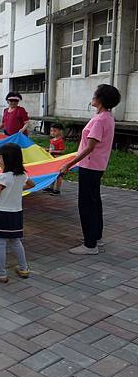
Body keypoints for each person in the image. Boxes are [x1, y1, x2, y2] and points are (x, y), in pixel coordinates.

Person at [60, 84, 121, 255]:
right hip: (98, 165)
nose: (92, 97)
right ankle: (96, 237)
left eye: (95, 95)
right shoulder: (107, 117)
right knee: (95, 202)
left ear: (100, 99)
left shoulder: (99, 120)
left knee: (86, 204)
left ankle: (89, 244)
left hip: (89, 166)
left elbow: (90, 148)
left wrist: (68, 164)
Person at [0, 143, 35, 283]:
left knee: (0, 244)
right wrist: (17, 189)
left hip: (1, 214)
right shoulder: (22, 175)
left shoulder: (2, 177)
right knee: (15, 241)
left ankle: (0, 273)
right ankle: (24, 268)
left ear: (8, 159)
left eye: (0, 158)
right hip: (16, 214)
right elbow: (32, 185)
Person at [43, 123, 65, 196]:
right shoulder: (52, 140)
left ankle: (57, 190)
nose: (52, 132)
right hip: (52, 160)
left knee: (59, 175)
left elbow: (62, 151)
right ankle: (51, 187)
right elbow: (51, 149)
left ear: (60, 131)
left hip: (58, 160)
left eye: (54, 131)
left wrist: (52, 151)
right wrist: (45, 150)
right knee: (52, 174)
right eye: (51, 131)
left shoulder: (60, 141)